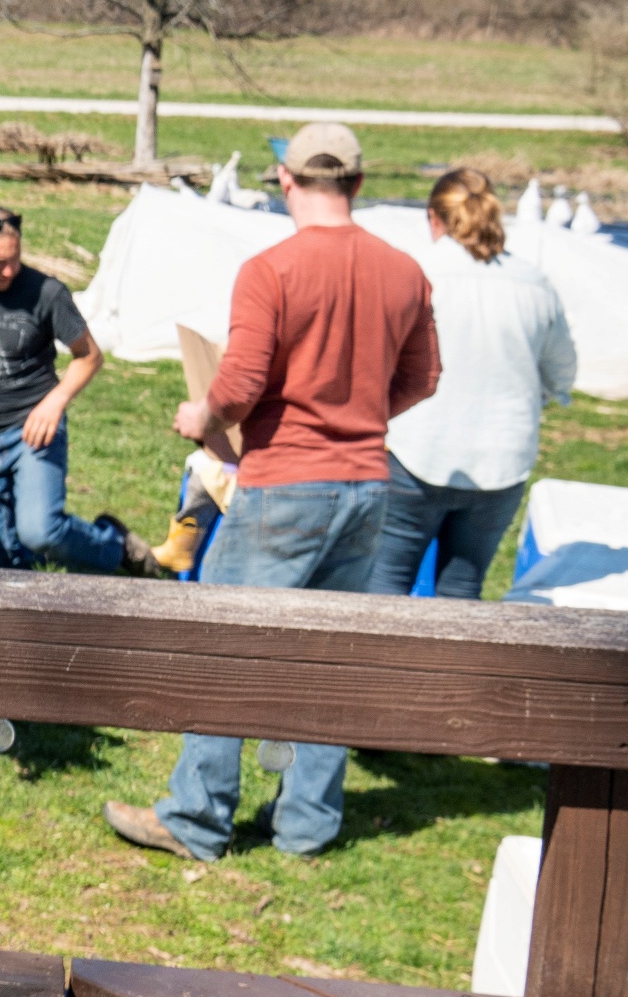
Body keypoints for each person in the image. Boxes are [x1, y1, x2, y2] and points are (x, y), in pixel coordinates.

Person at [107, 123, 440, 862]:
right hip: (364, 488)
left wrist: (200, 414)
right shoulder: (404, 271)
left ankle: (195, 818)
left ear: (283, 179)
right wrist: (354, 416)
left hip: (283, 484)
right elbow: (421, 378)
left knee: (224, 651)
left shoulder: (270, 269)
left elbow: (241, 384)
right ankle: (306, 825)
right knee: (325, 660)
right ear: (355, 183)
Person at [365, 168, 575, 599]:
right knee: (461, 589)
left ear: (433, 218)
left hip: (416, 448)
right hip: (504, 456)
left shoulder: (417, 273)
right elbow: (562, 371)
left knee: (385, 583)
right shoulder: (534, 283)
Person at [0, 204, 147, 574]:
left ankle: (115, 547)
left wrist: (53, 404)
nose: (9, 270)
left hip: (33, 429)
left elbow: (89, 357)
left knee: (41, 531)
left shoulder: (47, 293)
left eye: (15, 259)